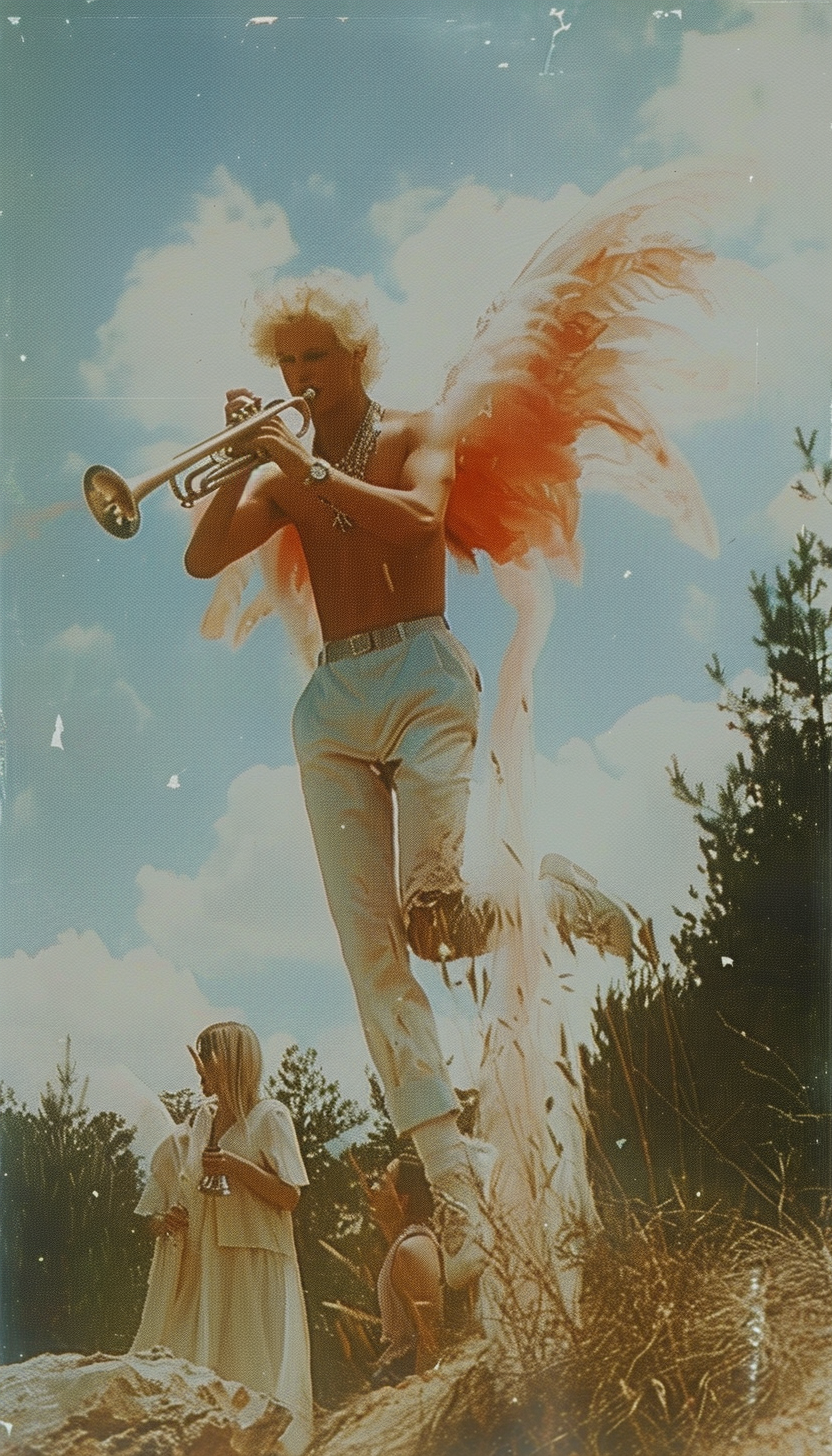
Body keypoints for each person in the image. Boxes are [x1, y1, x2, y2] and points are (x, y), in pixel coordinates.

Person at [184, 272, 508, 1291]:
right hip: (334, 698)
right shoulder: (285, 466)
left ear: (357, 357)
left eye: (313, 359)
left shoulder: (420, 430)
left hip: (420, 672)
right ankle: (454, 1184)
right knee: (369, 953)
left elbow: (416, 523)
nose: (297, 378)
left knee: (430, 916)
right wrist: (247, 461)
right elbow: (201, 557)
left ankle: (530, 902)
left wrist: (305, 474)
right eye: (285, 364)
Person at [131, 1022, 313, 1456]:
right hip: (205, 1257)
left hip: (254, 1258)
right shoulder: (202, 1121)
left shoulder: (270, 1118)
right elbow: (169, 1194)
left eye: (205, 1058)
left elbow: (289, 1196)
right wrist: (166, 1218)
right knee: (188, 1358)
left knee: (250, 1370)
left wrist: (237, 1167)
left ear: (228, 1060)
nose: (199, 1070)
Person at [364, 1153, 444, 1386]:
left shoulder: (413, 1247)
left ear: (403, 1200)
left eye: (384, 1183)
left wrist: (419, 1391)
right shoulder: (404, 1245)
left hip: (406, 1381)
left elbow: (431, 1333)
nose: (373, 1190)